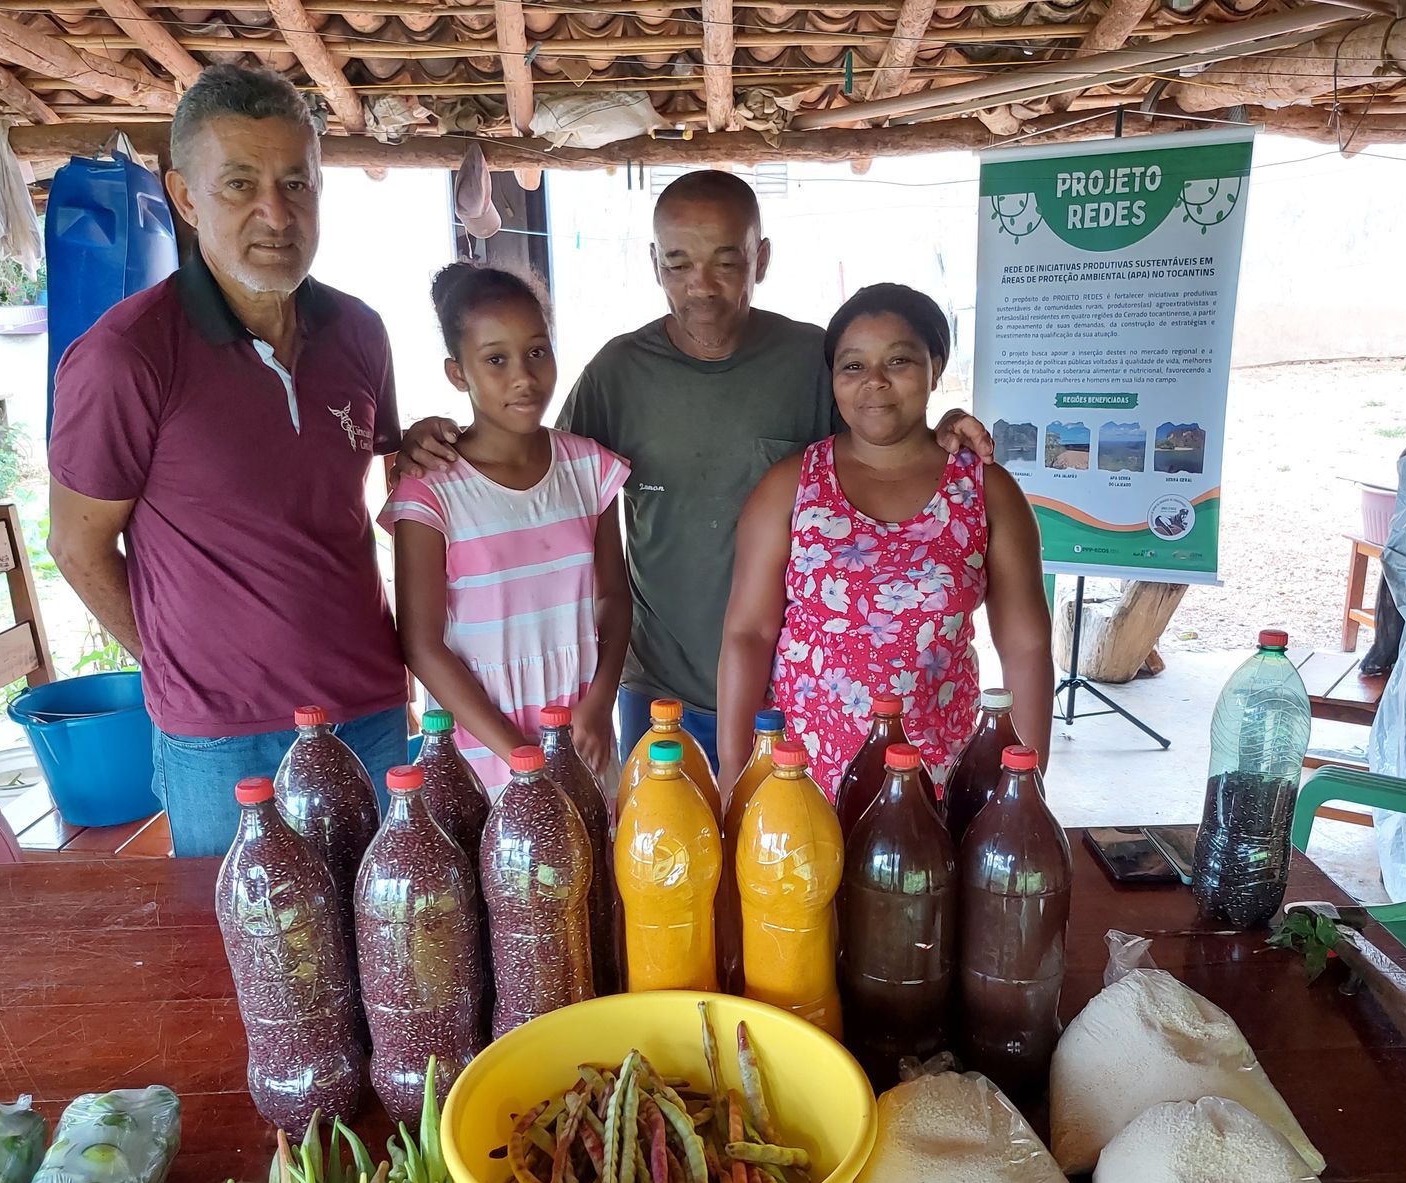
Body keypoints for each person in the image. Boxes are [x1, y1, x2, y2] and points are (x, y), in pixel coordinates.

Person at [402, 170, 990, 775]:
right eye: (678, 263)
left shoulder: (813, 363)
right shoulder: (618, 375)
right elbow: (535, 462)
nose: (701, 286)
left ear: (761, 259)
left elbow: (885, 434)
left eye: (726, 262)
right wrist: (429, 439)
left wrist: (942, 429)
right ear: (654, 263)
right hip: (657, 694)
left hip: (789, 695)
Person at [47, 64, 411, 857]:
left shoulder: (359, 332)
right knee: (242, 934)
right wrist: (180, 667)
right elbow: (76, 546)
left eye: (296, 183)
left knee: (397, 919)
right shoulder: (126, 356)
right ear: (184, 196)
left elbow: (390, 484)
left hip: (370, 710)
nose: (275, 214)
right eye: (240, 184)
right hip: (223, 739)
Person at [717, 284, 1054, 799]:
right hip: (800, 785)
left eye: (899, 360)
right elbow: (749, 633)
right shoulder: (791, 486)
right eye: (853, 366)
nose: (874, 380)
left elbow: (1025, 646)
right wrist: (733, 769)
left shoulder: (986, 491)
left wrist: (1025, 784)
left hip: (937, 782)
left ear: (935, 368)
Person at [382, 263, 631, 793]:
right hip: (481, 752)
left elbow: (614, 597)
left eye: (537, 352)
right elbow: (421, 644)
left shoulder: (590, 470)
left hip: (583, 737)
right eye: (496, 359)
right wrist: (520, 754)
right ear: (458, 374)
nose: (524, 377)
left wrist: (599, 702)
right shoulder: (431, 489)